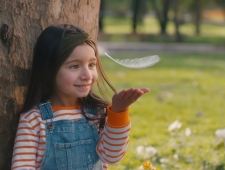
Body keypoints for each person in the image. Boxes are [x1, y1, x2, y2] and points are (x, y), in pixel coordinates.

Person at [11, 24, 150, 170]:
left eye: (91, 64)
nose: (87, 75)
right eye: (74, 66)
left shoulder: (97, 113)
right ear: (49, 69)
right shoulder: (33, 120)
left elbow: (112, 156)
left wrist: (119, 112)